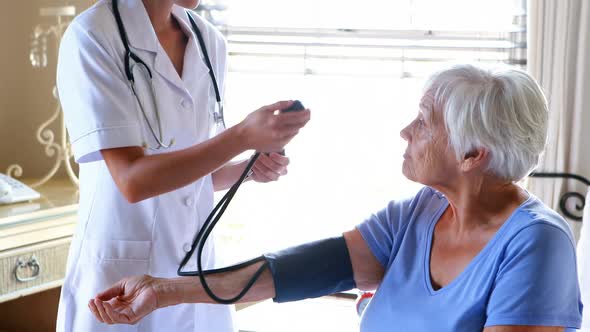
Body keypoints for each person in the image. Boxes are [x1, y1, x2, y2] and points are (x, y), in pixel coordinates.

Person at [89, 64, 583, 332]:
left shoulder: (536, 246)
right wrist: (165, 289)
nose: (405, 131)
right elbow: (301, 268)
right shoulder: (421, 212)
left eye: (425, 122)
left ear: (474, 154)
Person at [55, 0, 310, 331]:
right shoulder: (92, 36)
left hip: (196, 279)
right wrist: (243, 136)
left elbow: (192, 170)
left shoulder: (208, 40)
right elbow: (133, 181)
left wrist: (245, 170)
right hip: (118, 284)